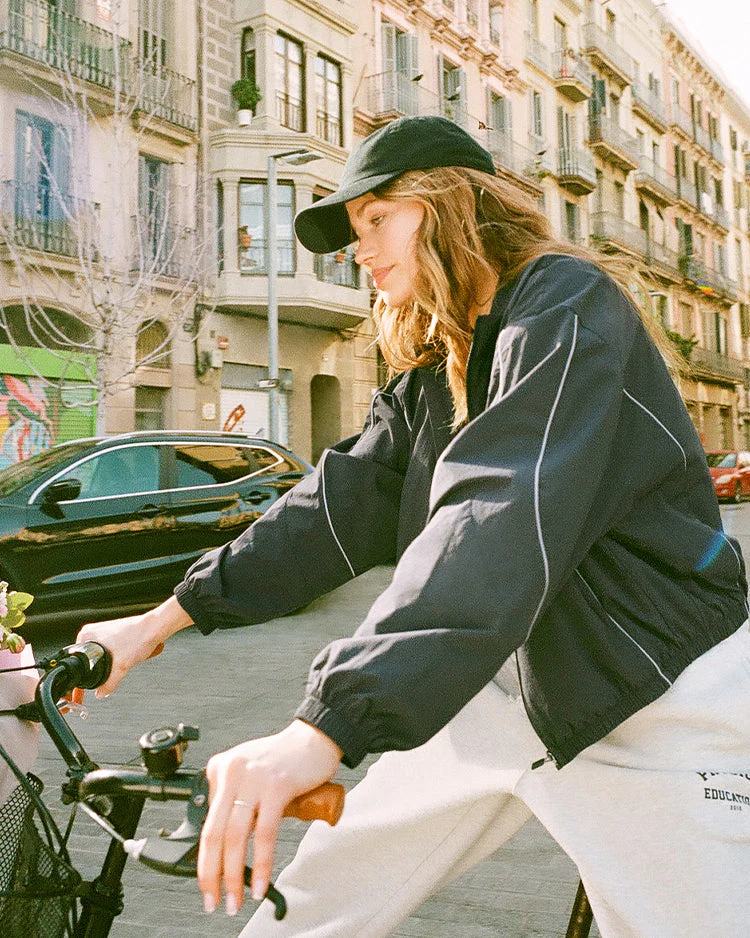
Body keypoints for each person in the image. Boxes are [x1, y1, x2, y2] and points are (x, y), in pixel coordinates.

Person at [77, 115, 750, 937]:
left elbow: (501, 506)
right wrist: (156, 623)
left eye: (376, 219)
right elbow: (335, 506)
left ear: (450, 204)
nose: (359, 251)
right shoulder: (440, 362)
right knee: (312, 908)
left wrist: (327, 725)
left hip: (650, 693)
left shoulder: (568, 303)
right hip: (500, 685)